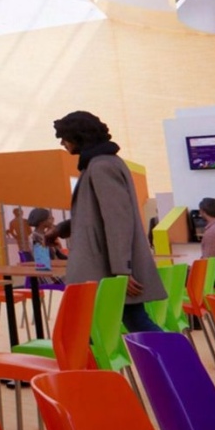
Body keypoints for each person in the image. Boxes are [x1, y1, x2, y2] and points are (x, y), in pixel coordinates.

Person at [43, 110, 164, 333]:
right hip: (105, 267)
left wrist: (123, 270)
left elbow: (118, 220)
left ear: (78, 136)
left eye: (65, 137)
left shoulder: (101, 166)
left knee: (133, 324)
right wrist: (60, 229)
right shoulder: (99, 164)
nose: (62, 143)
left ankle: (176, 354)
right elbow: (94, 216)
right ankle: (173, 353)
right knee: (128, 323)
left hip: (107, 269)